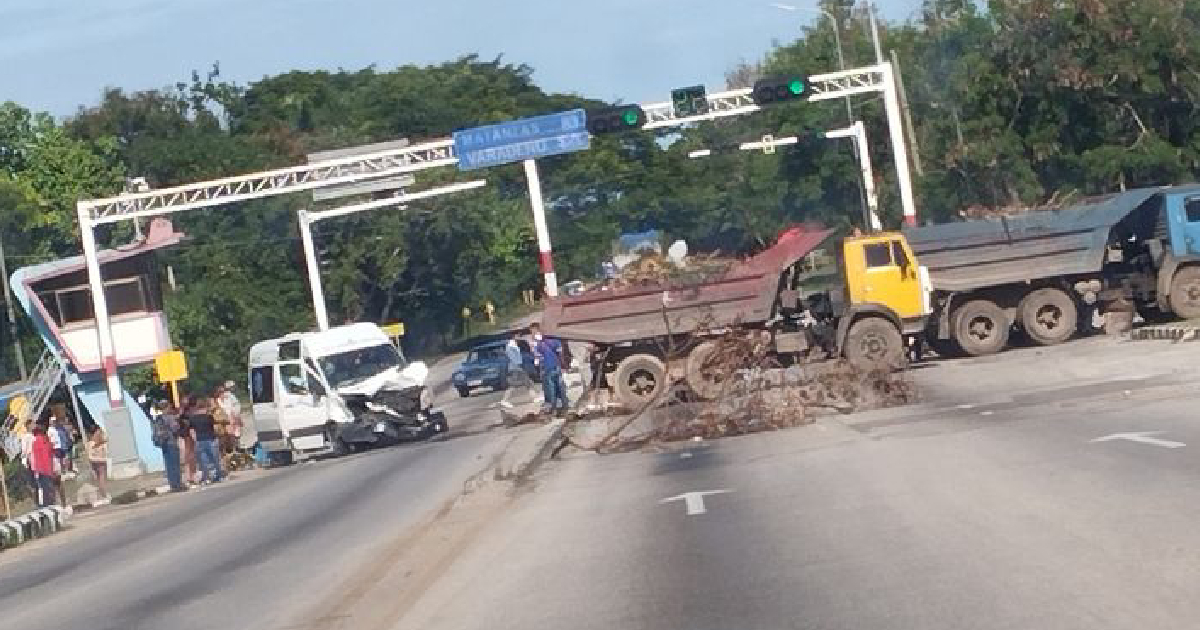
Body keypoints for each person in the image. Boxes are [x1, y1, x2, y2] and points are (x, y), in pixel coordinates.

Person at [529, 323, 570, 415]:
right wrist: (563, 366)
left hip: (547, 369)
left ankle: (554, 408)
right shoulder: (553, 339)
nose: (532, 333)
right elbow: (560, 353)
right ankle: (564, 406)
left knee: (550, 390)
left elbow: (537, 357)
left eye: (532, 331)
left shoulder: (536, 343)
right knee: (560, 387)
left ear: (536, 330)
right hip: (556, 367)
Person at [185, 395, 224, 485]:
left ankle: (206, 478)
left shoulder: (193, 418)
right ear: (205, 407)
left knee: (203, 461)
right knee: (214, 459)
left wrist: (195, 440)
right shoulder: (209, 417)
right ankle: (218, 476)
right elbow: (214, 427)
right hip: (211, 439)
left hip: (199, 440)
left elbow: (191, 430)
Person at [150, 401, 186, 492]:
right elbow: (175, 428)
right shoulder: (170, 417)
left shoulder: (158, 418)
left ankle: (172, 485)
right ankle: (178, 484)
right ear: (167, 407)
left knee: (169, 465)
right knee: (175, 464)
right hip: (171, 442)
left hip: (163, 444)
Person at [29, 424, 57, 508]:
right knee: (49, 489)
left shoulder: (34, 443)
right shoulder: (45, 440)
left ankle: (47, 506)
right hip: (48, 468)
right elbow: (50, 454)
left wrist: (35, 470)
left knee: (44, 490)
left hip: (40, 469)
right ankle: (52, 505)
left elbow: (34, 458)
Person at [86, 425, 110, 502]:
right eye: (98, 431)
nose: (100, 432)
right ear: (95, 432)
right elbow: (90, 456)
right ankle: (104, 495)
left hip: (99, 461)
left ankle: (103, 494)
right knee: (101, 478)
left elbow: (105, 439)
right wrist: (100, 460)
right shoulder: (92, 443)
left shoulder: (97, 441)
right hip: (99, 462)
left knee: (101, 478)